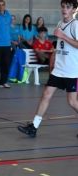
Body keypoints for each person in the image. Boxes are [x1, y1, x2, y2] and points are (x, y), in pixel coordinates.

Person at [17, 0, 78, 138]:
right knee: (46, 94)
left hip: (72, 70)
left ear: (74, 9)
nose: (64, 9)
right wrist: (55, 55)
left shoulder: (75, 25)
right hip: (59, 68)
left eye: (68, 7)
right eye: (63, 6)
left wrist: (63, 36)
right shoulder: (60, 23)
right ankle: (34, 127)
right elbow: (60, 45)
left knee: (72, 102)